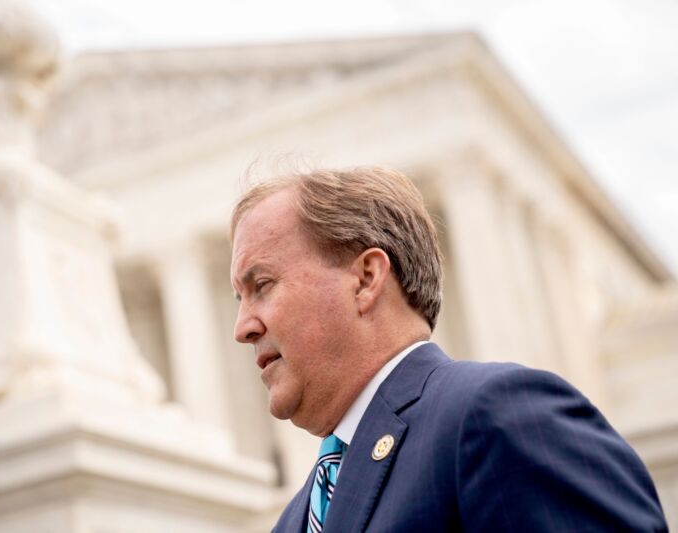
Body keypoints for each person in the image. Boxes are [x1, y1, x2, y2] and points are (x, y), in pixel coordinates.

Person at [229, 166, 667, 532]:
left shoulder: (499, 416)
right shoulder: (296, 518)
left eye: (262, 286)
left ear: (365, 279)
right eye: (239, 299)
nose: (242, 327)